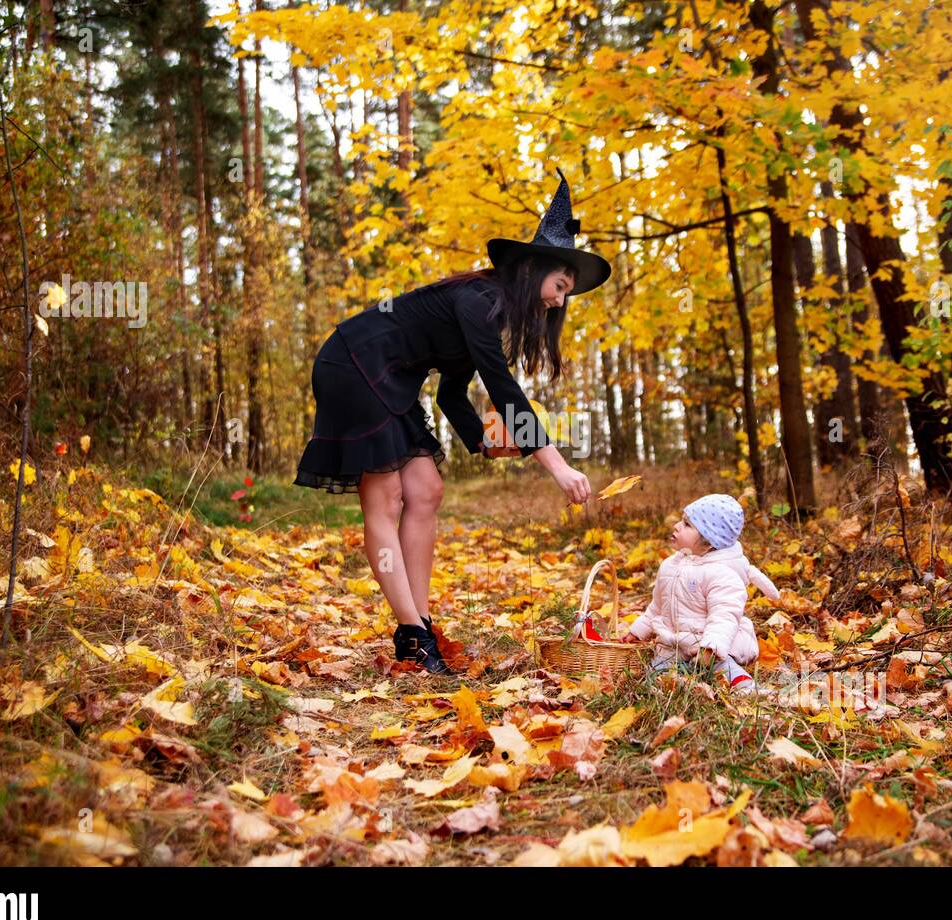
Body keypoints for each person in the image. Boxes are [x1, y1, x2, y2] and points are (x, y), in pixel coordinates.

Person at [295, 168, 611, 675]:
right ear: (532, 271)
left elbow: (451, 390)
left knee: (426, 492)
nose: (559, 300)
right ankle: (413, 637)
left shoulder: (491, 309)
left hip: (390, 378)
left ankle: (420, 629)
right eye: (559, 285)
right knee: (387, 495)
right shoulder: (479, 300)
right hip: (352, 363)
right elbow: (502, 386)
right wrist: (556, 466)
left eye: (566, 293)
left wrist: (483, 446)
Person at [625, 494, 781, 695]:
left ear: (709, 543)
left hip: (710, 647)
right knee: (654, 677)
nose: (677, 526)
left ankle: (747, 687)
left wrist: (711, 648)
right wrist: (637, 631)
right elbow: (656, 607)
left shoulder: (721, 574)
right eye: (682, 520)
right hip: (673, 647)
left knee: (723, 670)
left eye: (687, 525)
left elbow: (724, 616)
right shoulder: (670, 566)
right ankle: (682, 684)